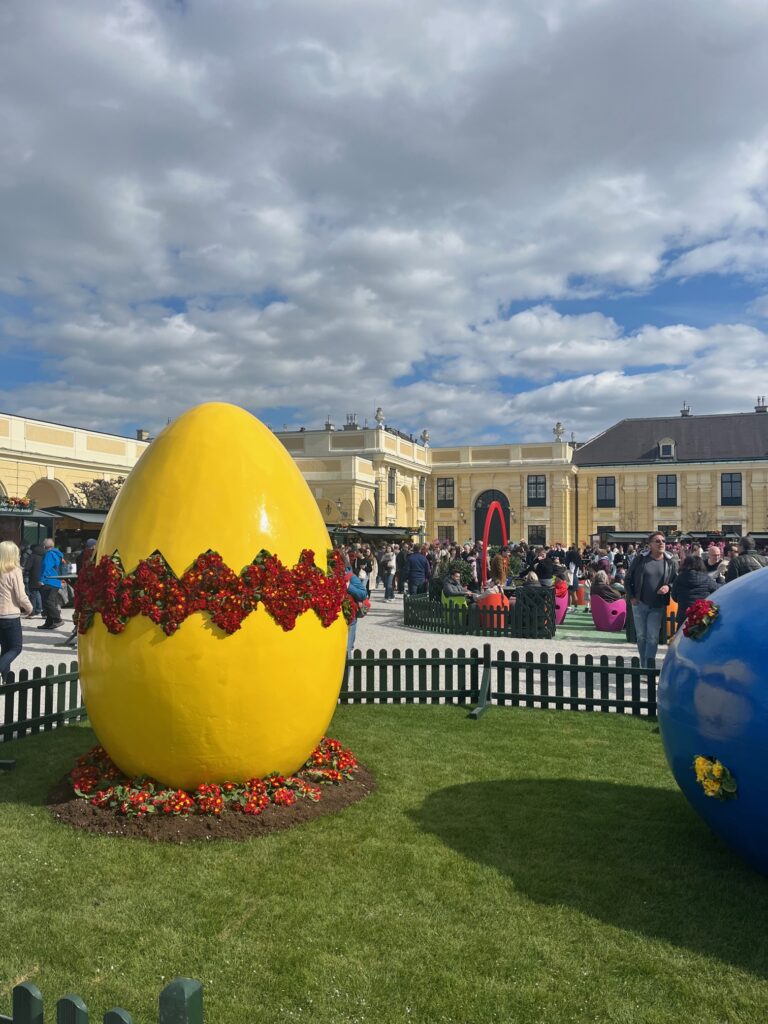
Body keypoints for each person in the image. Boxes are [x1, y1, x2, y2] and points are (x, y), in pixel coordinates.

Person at [625, 531, 677, 667]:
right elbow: (628, 578)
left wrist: (668, 587)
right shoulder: (641, 560)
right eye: (657, 541)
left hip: (658, 605)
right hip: (639, 603)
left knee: (653, 637)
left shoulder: (670, 561)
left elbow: (674, 581)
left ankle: (648, 666)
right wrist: (632, 597)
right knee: (641, 636)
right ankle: (644, 665)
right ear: (650, 545)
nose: (661, 543)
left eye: (663, 541)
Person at [0, 540, 33, 683]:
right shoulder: (14, 570)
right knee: (16, 647)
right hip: (10, 615)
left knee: (5, 648)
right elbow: (20, 595)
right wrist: (30, 608)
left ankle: (7, 680)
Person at [671, 555, 720, 626]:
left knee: (682, 636)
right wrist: (720, 579)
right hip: (702, 616)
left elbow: (674, 596)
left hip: (684, 616)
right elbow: (718, 589)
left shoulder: (679, 579)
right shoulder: (706, 579)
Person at [38, 537, 64, 630]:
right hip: (56, 581)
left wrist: (41, 579)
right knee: (49, 602)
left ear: (45, 546)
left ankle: (57, 619)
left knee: (48, 602)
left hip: (49, 581)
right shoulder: (58, 554)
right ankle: (49, 623)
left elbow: (46, 567)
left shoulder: (49, 554)